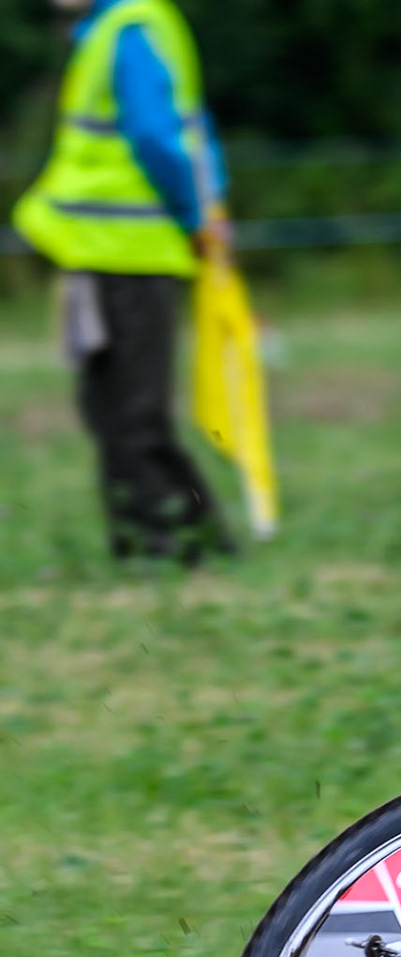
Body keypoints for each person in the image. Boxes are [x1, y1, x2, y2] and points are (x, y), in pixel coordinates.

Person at [12, 0, 234, 565]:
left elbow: (158, 136)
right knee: (110, 408)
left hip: (133, 254)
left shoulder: (131, 30)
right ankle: (172, 538)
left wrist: (196, 217)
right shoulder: (107, 30)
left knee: (132, 414)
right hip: (102, 254)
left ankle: (168, 544)